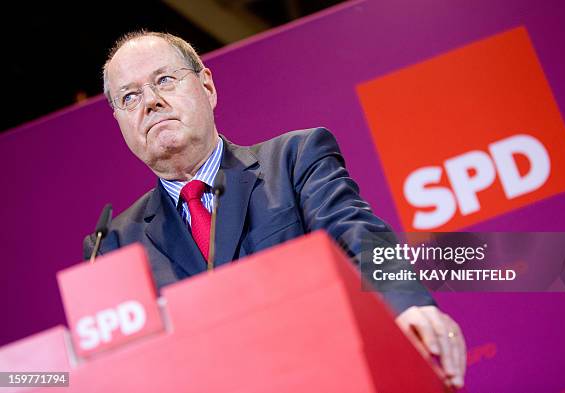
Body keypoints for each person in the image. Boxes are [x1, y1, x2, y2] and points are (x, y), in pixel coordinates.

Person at [84, 31, 466, 388]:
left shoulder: (294, 160)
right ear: (119, 120)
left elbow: (355, 232)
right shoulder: (113, 245)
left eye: (165, 79)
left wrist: (406, 304)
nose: (150, 102)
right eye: (129, 97)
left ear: (207, 86)